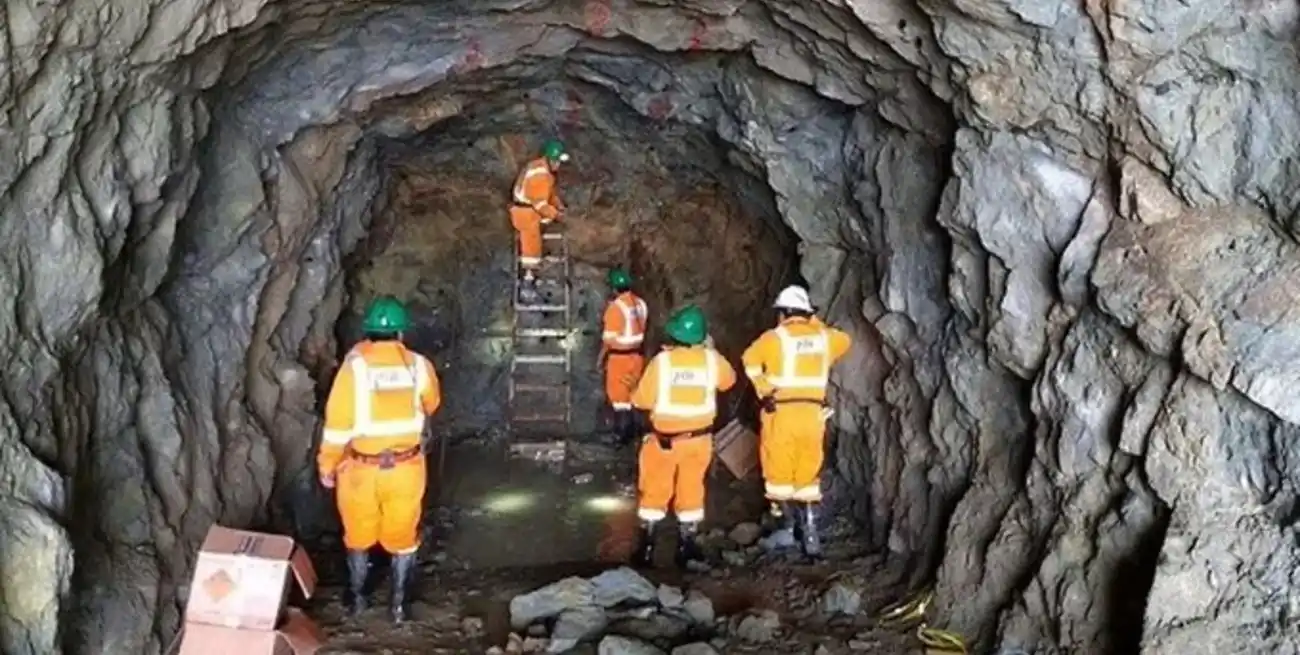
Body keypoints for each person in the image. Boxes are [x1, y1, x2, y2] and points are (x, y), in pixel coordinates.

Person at [317, 296, 442, 623]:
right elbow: (432, 403)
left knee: (358, 534)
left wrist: (327, 466)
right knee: (403, 537)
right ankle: (399, 608)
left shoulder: (353, 368)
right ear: (402, 334)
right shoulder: (418, 365)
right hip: (406, 468)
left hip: (360, 469)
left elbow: (337, 425)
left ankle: (358, 600)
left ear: (367, 332)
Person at [741, 284, 851, 558]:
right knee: (808, 472)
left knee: (779, 472)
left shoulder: (774, 338)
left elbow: (749, 361)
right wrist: (812, 319)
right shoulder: (824, 337)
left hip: (782, 412)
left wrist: (764, 389)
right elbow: (844, 340)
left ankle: (786, 527)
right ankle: (810, 534)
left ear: (784, 312)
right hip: (813, 415)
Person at [630, 305, 736, 567]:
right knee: (691, 491)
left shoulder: (662, 362)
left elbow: (642, 400)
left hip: (664, 442)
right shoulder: (712, 360)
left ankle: (646, 547)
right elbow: (729, 381)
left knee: (654, 491)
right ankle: (686, 546)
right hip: (698, 442)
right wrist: (711, 351)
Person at [509, 138, 569, 298]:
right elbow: (541, 204)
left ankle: (534, 270)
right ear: (550, 159)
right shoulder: (541, 174)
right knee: (531, 246)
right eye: (557, 161)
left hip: (528, 209)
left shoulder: (542, 169)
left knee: (538, 232)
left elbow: (549, 194)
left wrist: (559, 205)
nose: (559, 165)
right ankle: (528, 282)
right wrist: (557, 215)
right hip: (525, 213)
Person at [600, 267, 648, 444]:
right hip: (637, 356)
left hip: (620, 358)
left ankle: (620, 435)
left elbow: (609, 340)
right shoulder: (641, 304)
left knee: (618, 397)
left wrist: (601, 358)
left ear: (613, 288)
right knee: (632, 394)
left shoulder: (615, 308)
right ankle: (634, 432)